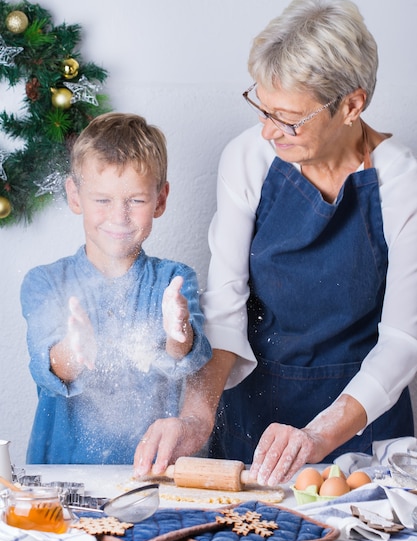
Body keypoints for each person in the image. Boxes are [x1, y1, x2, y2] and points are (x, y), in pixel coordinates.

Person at [134, 0, 417, 485]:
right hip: (254, 415)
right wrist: (197, 418)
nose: (267, 131)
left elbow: (402, 342)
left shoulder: (401, 182)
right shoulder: (248, 158)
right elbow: (224, 308)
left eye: (287, 118)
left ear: (352, 105)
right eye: (262, 108)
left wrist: (319, 436)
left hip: (363, 424)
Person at [21, 112, 211, 464]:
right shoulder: (45, 282)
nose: (119, 216)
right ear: (75, 196)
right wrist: (75, 348)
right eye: (102, 200)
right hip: (63, 477)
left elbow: (184, 355)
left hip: (152, 473)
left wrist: (178, 331)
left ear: (161, 199)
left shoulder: (174, 280)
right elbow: (49, 365)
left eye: (135, 201)